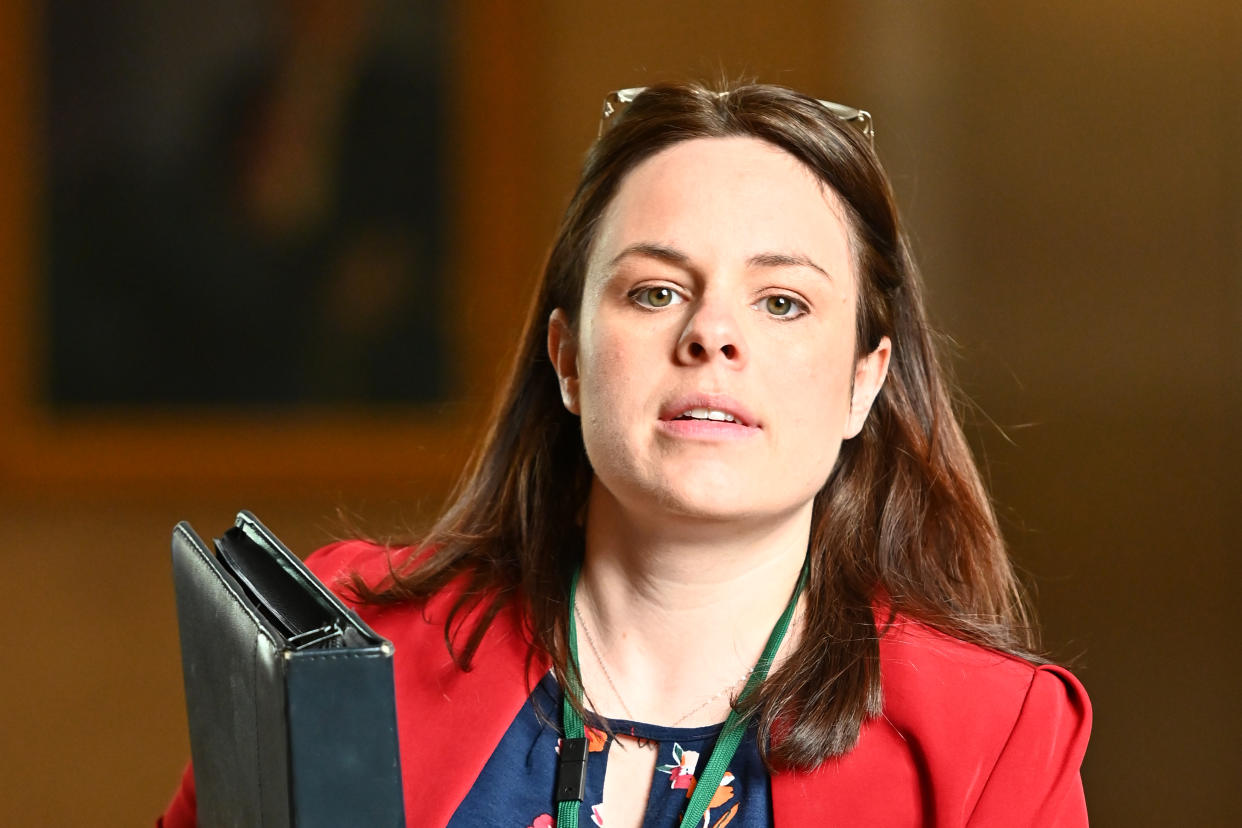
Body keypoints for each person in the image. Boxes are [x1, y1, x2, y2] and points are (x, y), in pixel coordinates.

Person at [160, 81, 1090, 827]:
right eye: (654, 292)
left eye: (782, 303)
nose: (712, 334)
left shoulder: (991, 735)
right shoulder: (336, 648)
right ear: (567, 358)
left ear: (864, 380)